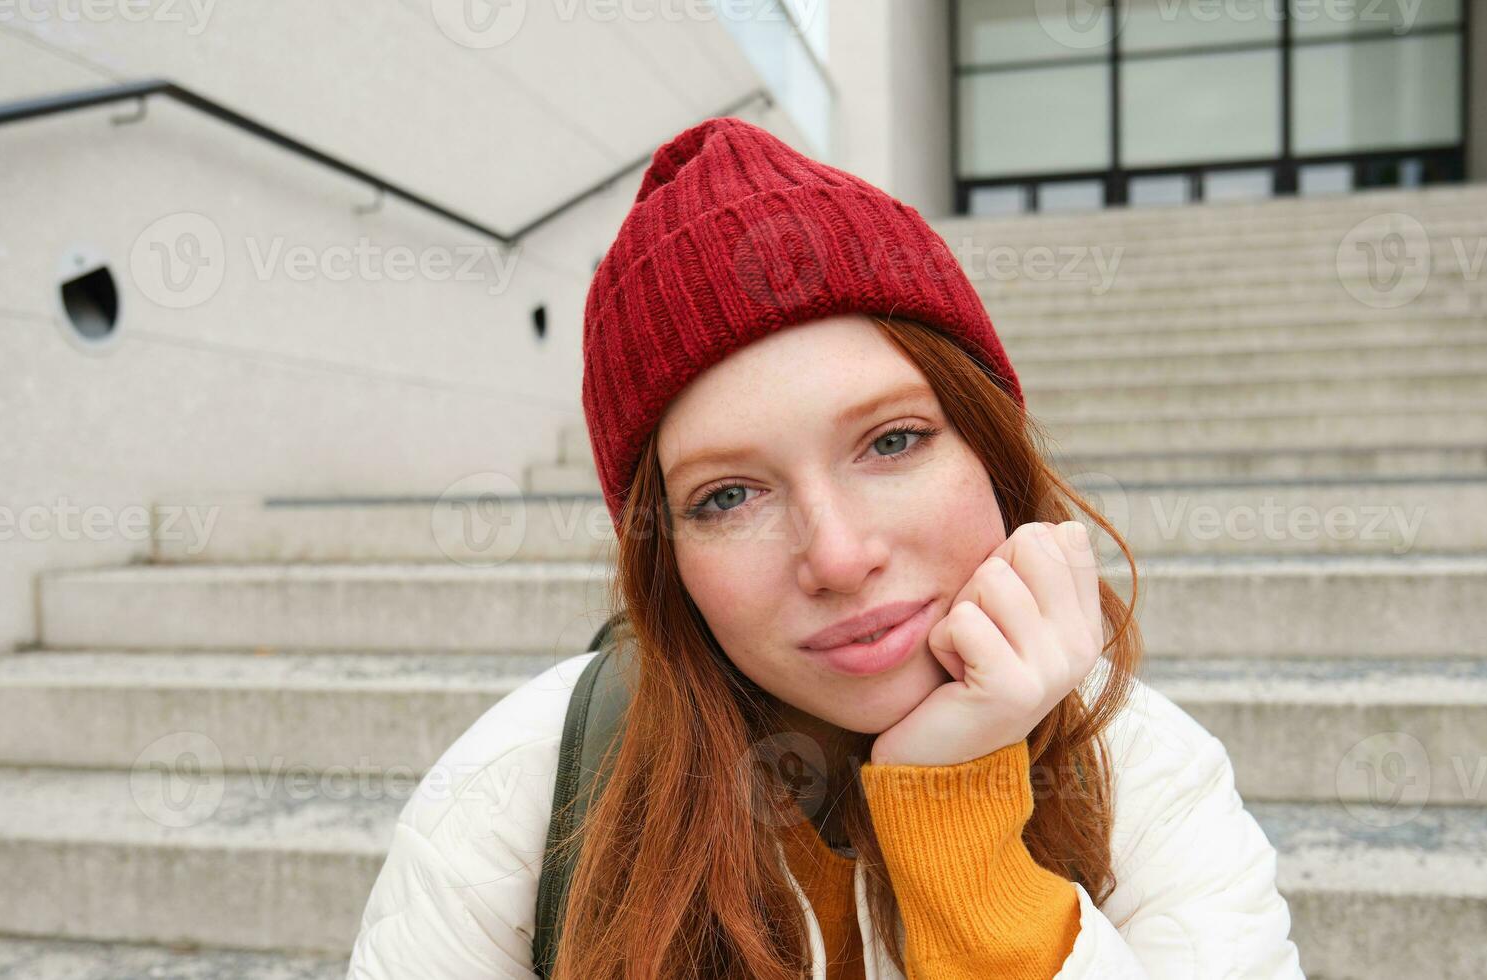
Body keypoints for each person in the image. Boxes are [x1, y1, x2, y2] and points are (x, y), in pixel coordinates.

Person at [349, 117, 1301, 979]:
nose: (839, 558)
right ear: (663, 559)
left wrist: (964, 833)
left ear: (993, 448)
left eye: (892, 441)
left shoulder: (1146, 776)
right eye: (728, 496)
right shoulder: (515, 803)